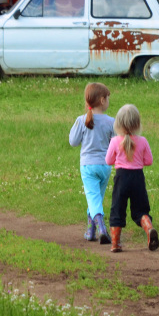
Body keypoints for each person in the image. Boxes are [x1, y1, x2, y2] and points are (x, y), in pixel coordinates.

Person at [105, 104, 159, 252]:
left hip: (121, 177)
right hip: (137, 178)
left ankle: (115, 243)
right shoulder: (142, 141)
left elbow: (108, 161)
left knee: (117, 208)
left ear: (118, 123)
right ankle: (148, 228)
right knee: (140, 209)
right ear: (137, 123)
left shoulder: (115, 141)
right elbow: (149, 161)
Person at [69, 83, 114, 244]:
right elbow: (115, 143)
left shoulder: (81, 120)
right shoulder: (111, 122)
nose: (109, 101)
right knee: (96, 198)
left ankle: (101, 228)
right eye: (108, 98)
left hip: (88, 166)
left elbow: (73, 142)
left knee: (93, 197)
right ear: (102, 100)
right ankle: (91, 231)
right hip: (105, 166)